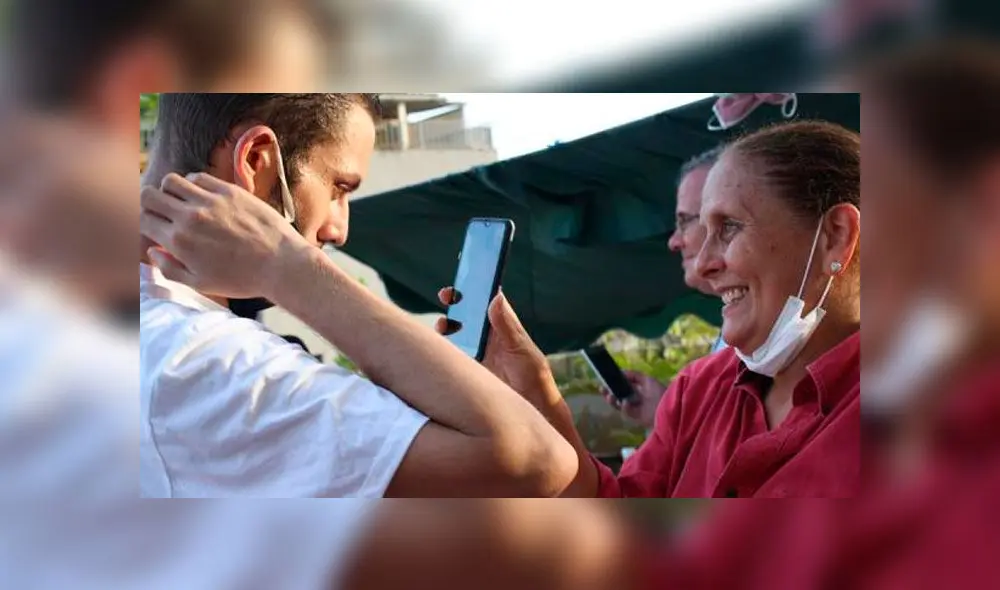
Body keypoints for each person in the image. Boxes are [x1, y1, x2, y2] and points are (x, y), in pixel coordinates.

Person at [139, 93, 576, 498]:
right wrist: (286, 266)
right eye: (339, 188)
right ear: (257, 159)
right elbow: (538, 459)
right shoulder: (210, 362)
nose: (339, 229)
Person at [442, 120, 861, 498]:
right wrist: (532, 389)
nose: (702, 263)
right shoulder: (699, 388)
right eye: (700, 227)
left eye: (729, 227)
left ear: (835, 237)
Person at [601, 145, 725, 429]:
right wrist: (665, 410)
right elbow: (718, 438)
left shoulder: (787, 338)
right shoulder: (739, 335)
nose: (674, 241)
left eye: (685, 221)